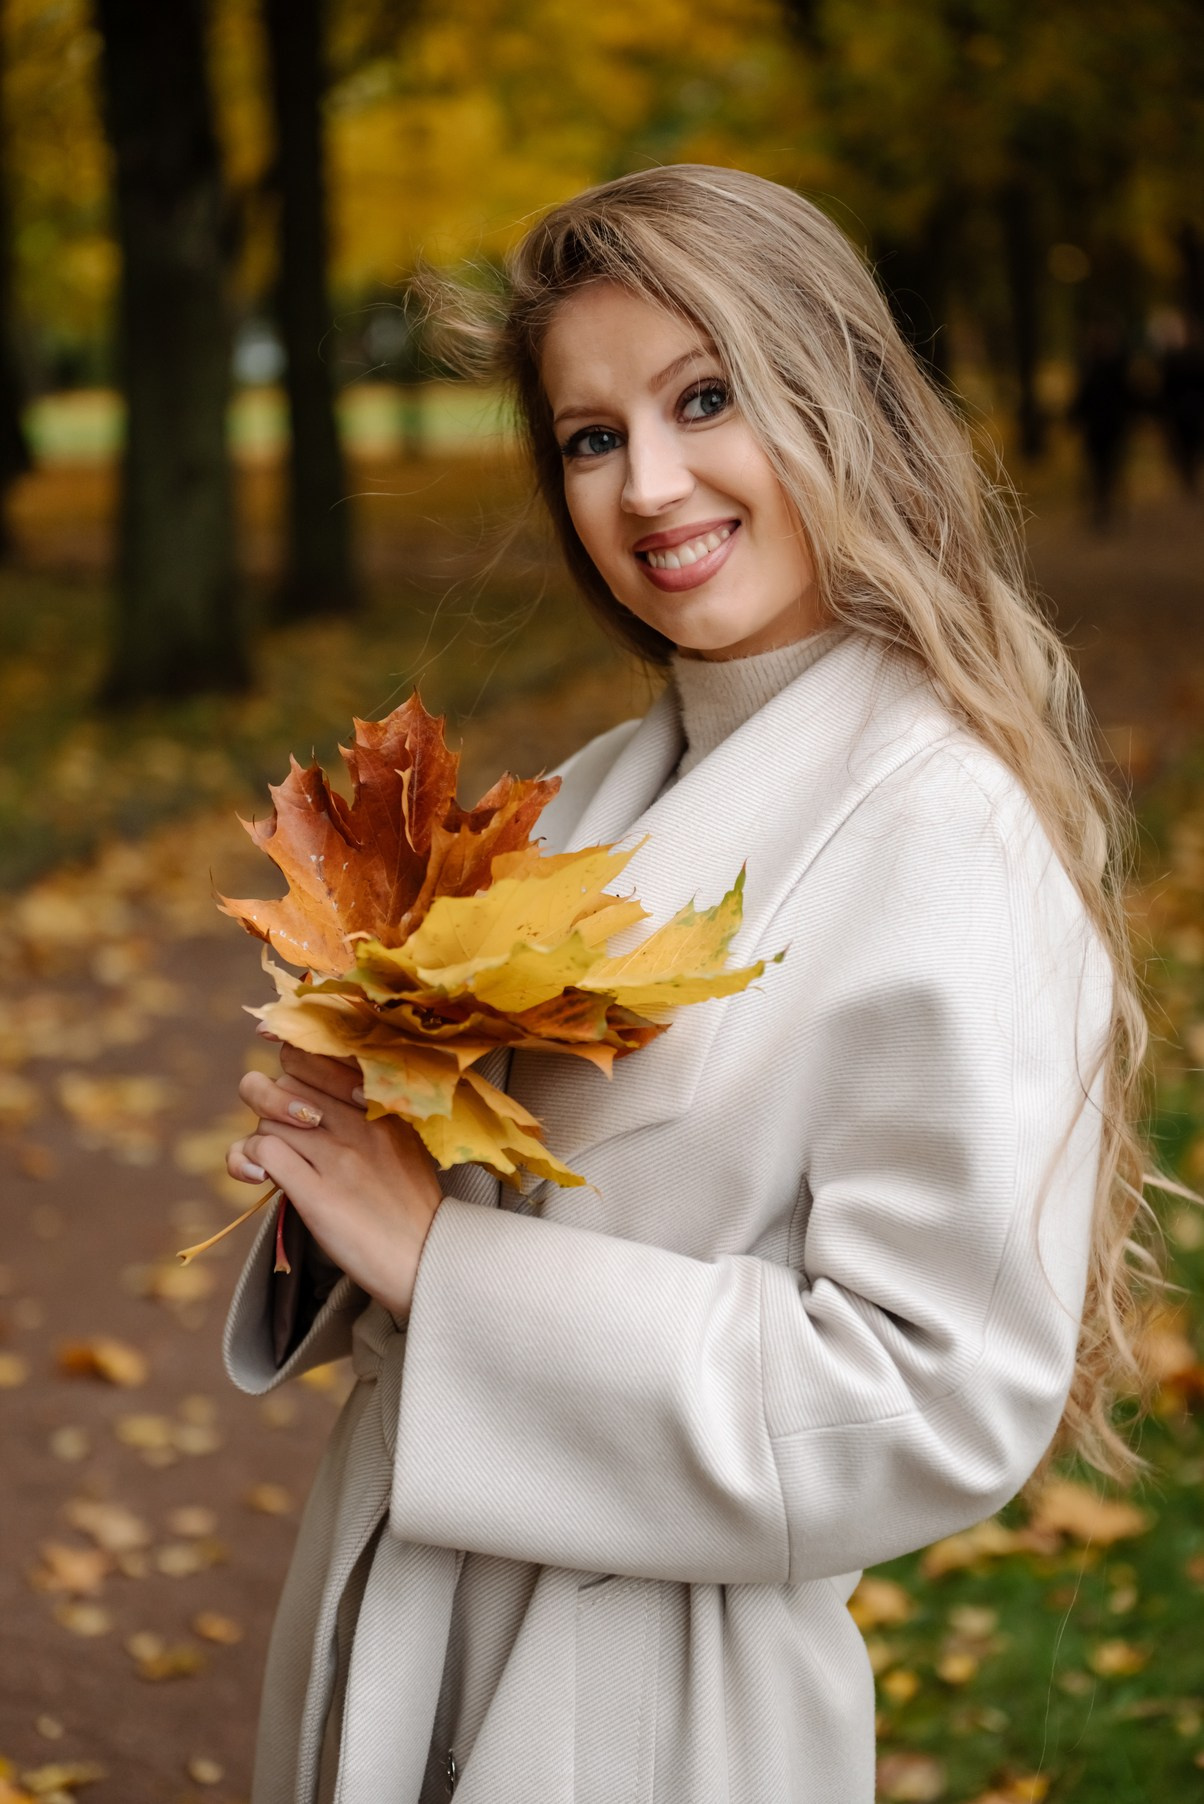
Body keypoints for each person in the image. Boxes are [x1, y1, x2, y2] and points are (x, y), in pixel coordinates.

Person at [222, 165, 1153, 1804]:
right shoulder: (593, 788)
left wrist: (449, 1266)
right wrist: (354, 1155)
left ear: (840, 399)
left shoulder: (945, 826)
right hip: (405, 1620)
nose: (648, 485)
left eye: (703, 398)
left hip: (644, 1712)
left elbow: (932, 1398)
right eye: (591, 437)